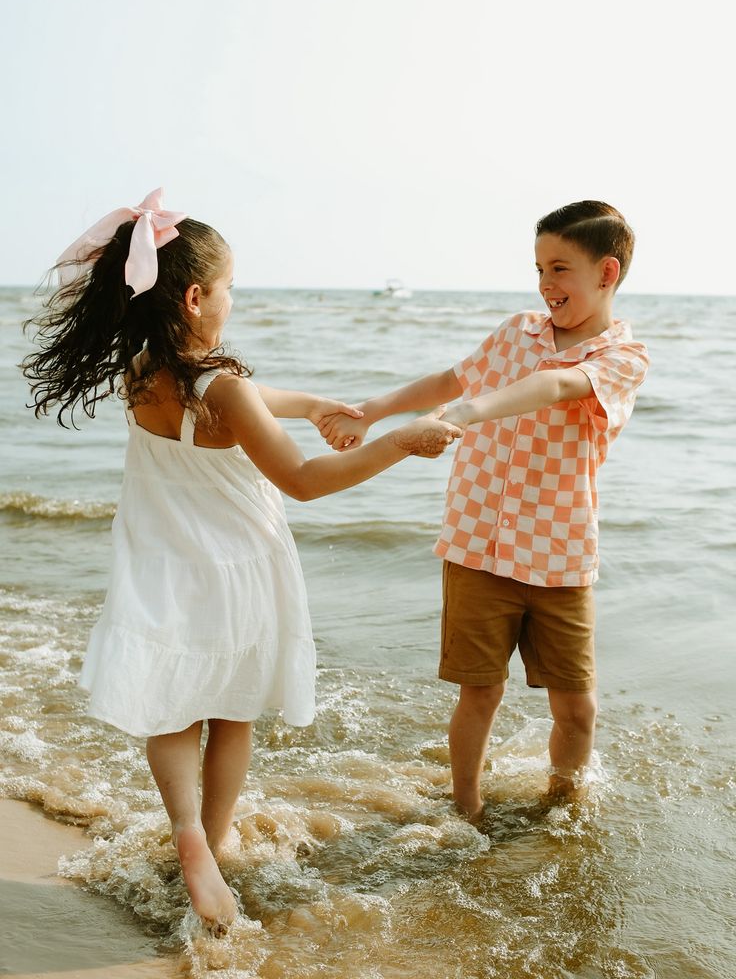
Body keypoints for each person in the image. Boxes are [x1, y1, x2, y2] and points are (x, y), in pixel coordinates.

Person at [22, 189, 461, 934]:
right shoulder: (222, 387)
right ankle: (217, 842)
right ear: (197, 297)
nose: (233, 300)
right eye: (230, 289)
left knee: (172, 706)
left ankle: (187, 835)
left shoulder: (142, 368)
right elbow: (304, 481)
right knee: (230, 712)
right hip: (238, 568)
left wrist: (324, 402)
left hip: (161, 561)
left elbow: (259, 399)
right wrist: (400, 442)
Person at [318, 200, 649, 821]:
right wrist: (373, 409)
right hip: (477, 542)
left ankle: (560, 811)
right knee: (480, 692)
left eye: (559, 269)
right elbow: (452, 378)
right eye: (538, 269)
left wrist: (463, 416)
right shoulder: (515, 331)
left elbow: (553, 386)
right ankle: (465, 811)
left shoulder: (623, 358)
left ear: (607, 273)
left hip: (560, 555)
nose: (546, 285)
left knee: (577, 708)